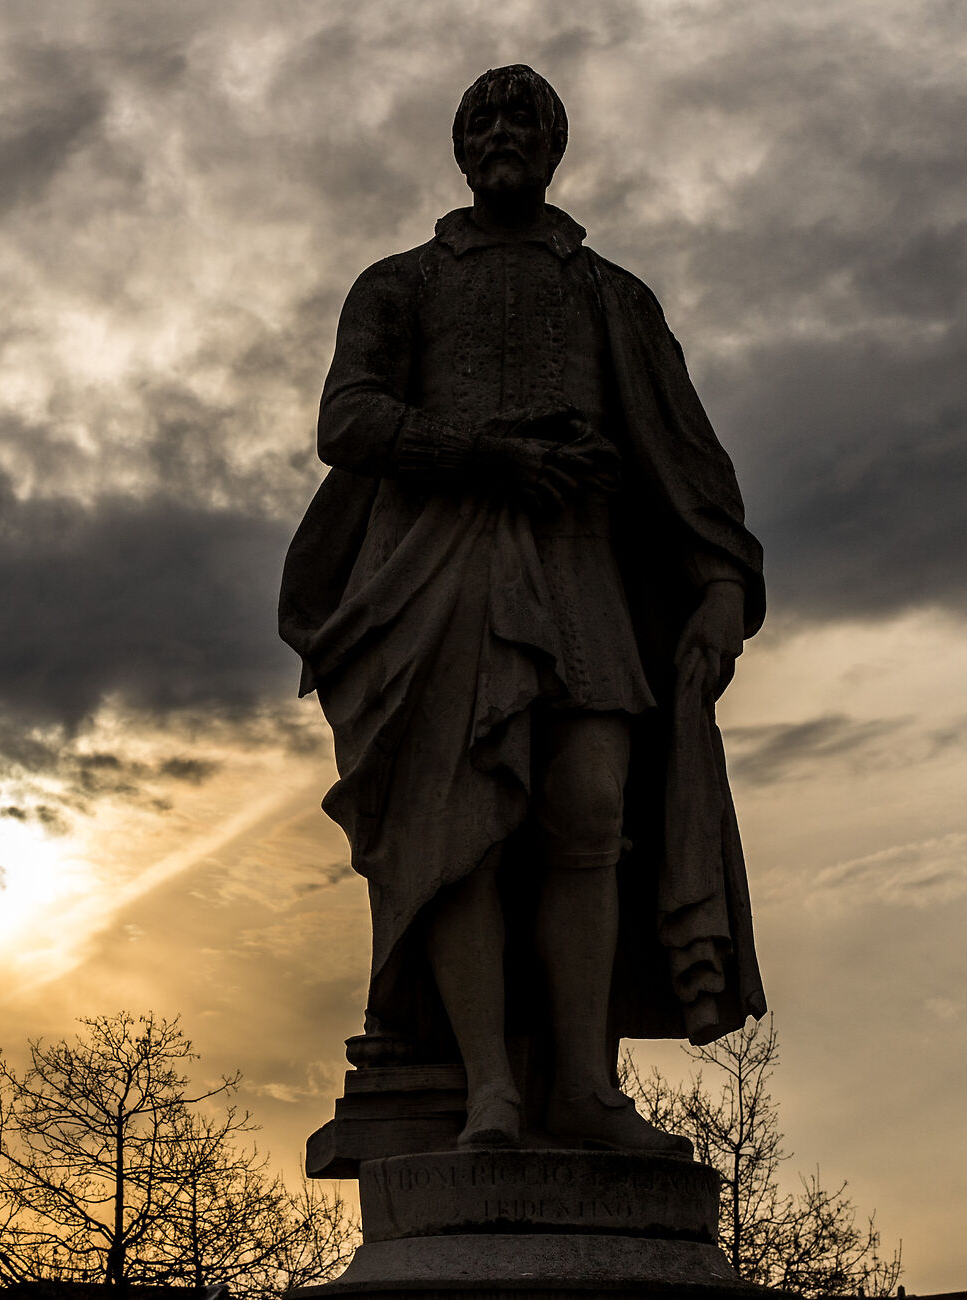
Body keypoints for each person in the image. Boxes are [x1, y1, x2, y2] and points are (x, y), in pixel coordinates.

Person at [280, 64, 766, 1153]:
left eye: (525, 119)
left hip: (583, 571)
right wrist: (485, 456)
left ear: (555, 147)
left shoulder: (613, 296)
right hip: (444, 573)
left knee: (590, 809)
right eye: (484, 119)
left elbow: (687, 458)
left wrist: (723, 583)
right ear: (459, 147)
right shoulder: (398, 285)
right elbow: (347, 418)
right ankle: (493, 1085)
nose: (503, 134)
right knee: (466, 830)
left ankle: (584, 1087)